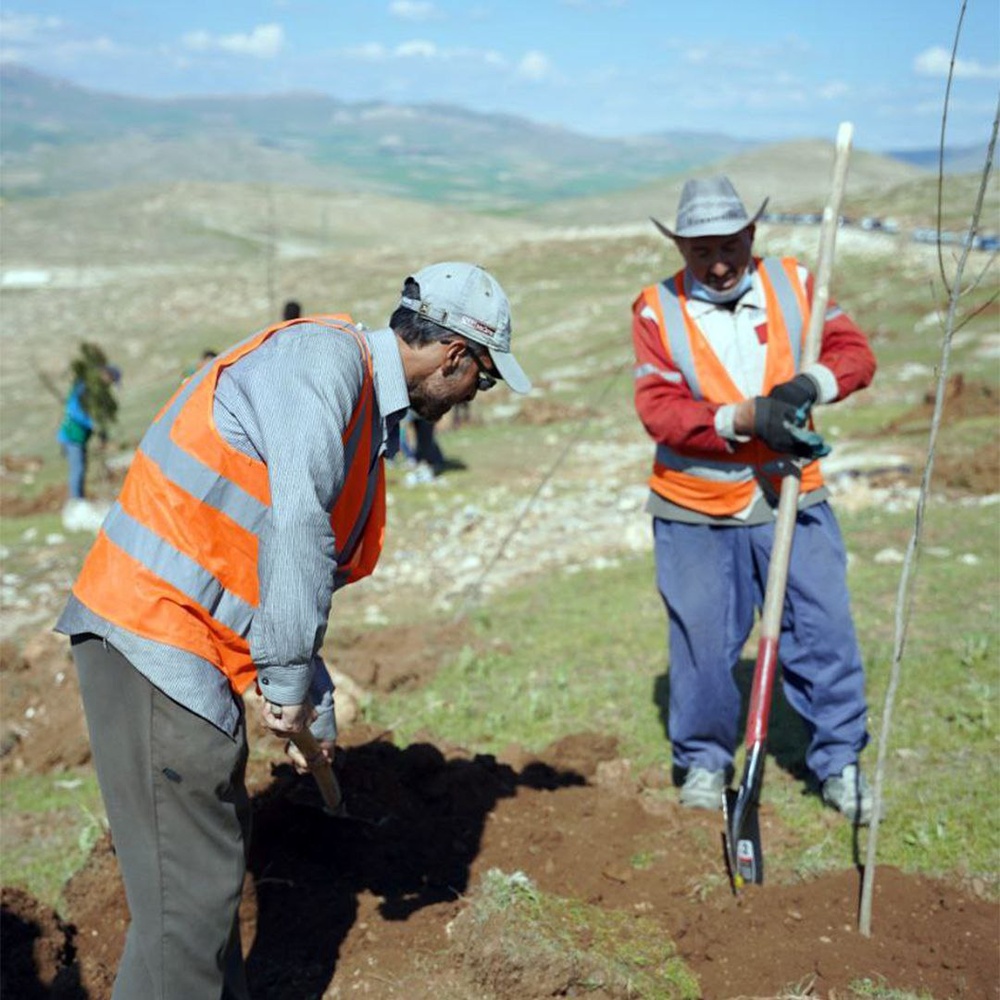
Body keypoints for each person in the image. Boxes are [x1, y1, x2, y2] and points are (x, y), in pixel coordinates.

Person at [54, 261, 531, 998]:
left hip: (188, 648)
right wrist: (281, 676)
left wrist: (313, 692)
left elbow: (287, 570)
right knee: (190, 907)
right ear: (455, 356)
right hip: (148, 634)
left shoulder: (365, 412)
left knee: (193, 905)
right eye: (485, 379)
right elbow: (298, 523)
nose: (476, 395)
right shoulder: (323, 363)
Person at [631, 176, 877, 823]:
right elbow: (659, 410)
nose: (717, 265)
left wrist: (807, 387)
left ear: (752, 235)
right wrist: (742, 419)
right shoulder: (656, 309)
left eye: (730, 248)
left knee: (824, 627)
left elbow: (855, 355)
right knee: (703, 642)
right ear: (680, 246)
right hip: (693, 506)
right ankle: (706, 761)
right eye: (700, 251)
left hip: (793, 490)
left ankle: (841, 762)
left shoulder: (796, 284)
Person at [57, 347, 121, 501]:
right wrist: (92, 424)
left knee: (81, 468)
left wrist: (101, 432)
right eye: (111, 380)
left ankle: (79, 500)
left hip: (80, 436)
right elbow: (73, 410)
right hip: (71, 435)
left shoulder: (95, 393)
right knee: (77, 469)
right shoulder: (84, 387)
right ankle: (76, 502)